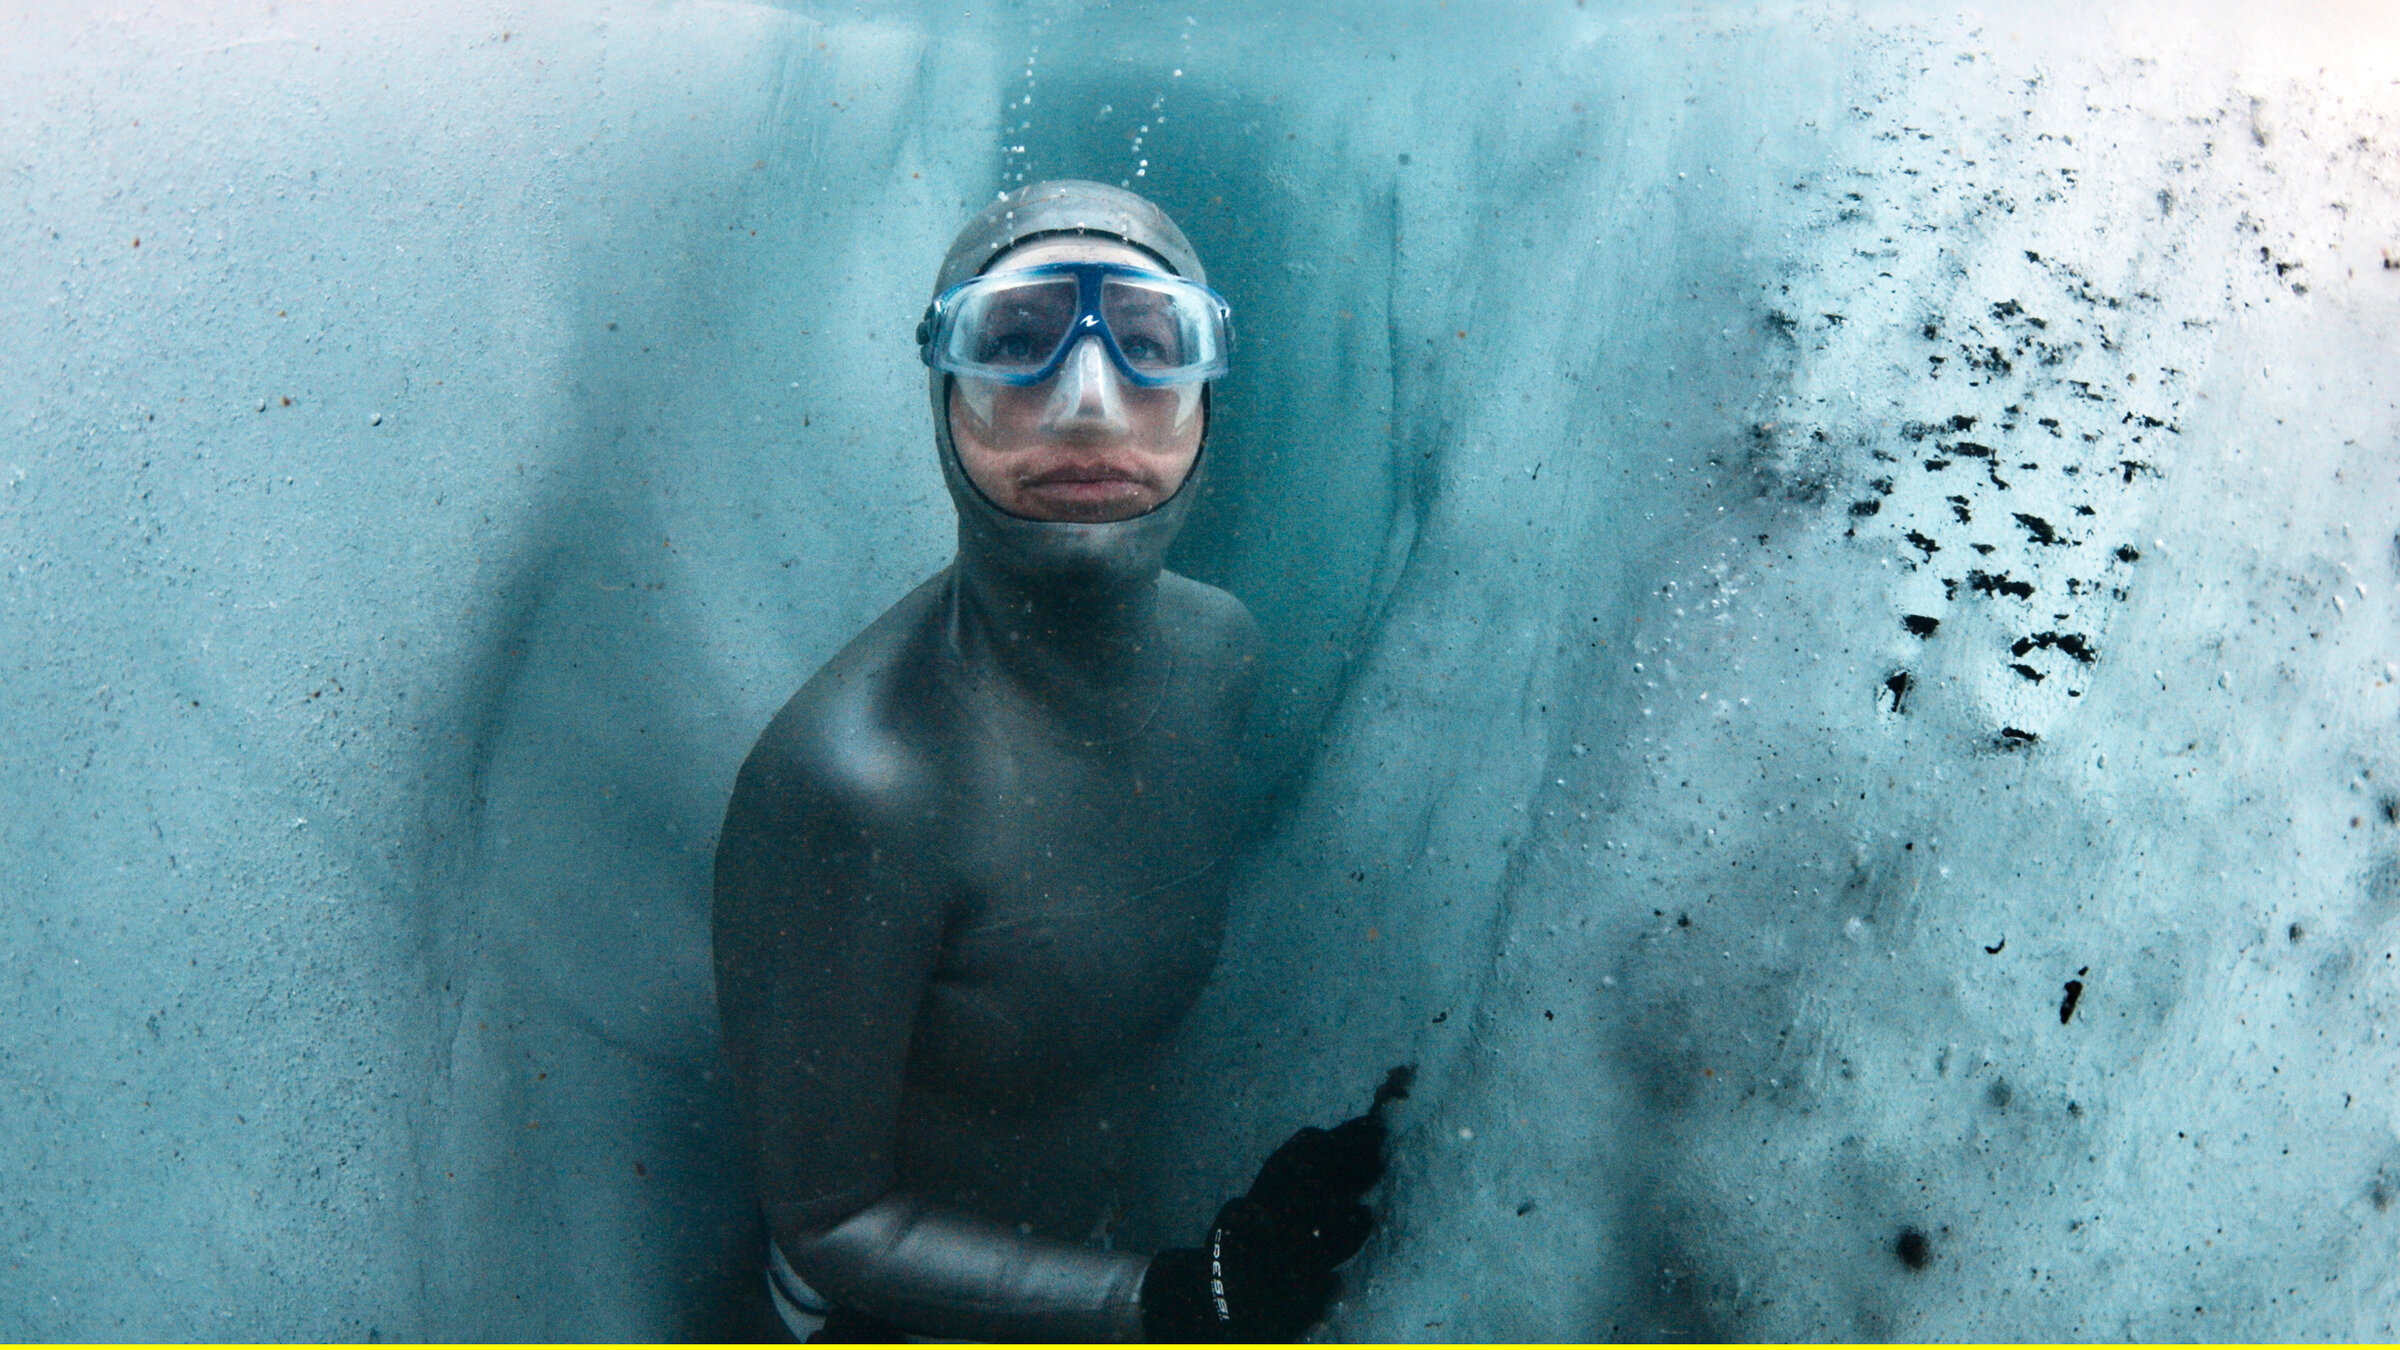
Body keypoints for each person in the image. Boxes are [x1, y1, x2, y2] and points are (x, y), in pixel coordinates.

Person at [711, 181, 1393, 1343]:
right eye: (1016, 344)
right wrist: (1166, 1298)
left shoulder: (1223, 652)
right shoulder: (861, 787)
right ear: (943, 397)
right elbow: (828, 1223)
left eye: (1147, 346)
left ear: (1205, 398)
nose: (1087, 405)